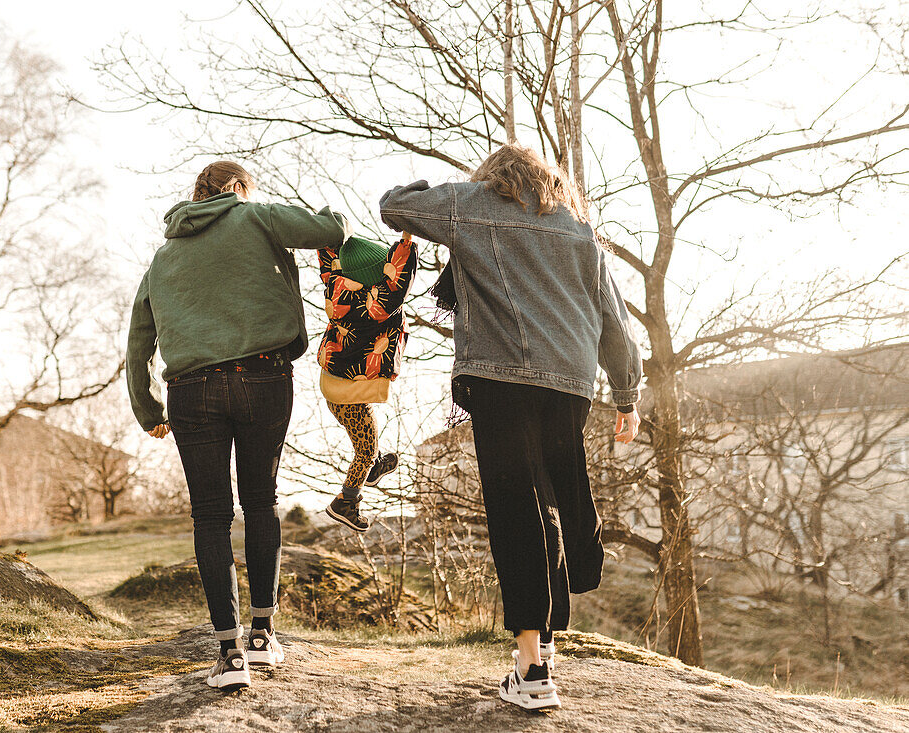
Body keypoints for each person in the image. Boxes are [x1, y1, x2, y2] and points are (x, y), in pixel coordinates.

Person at [379, 144, 642, 711]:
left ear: (493, 178)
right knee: (550, 498)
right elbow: (614, 323)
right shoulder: (577, 232)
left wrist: (444, 190)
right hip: (569, 384)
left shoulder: (473, 206)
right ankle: (548, 634)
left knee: (515, 510)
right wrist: (627, 396)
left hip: (499, 380)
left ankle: (531, 668)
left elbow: (395, 206)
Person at [126, 160, 351, 691]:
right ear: (239, 190)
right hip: (262, 377)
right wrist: (327, 211)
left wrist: (148, 408)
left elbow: (139, 342)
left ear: (196, 195)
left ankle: (228, 654)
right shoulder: (258, 217)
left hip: (191, 390)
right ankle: (262, 635)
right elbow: (332, 231)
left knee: (209, 514)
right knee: (259, 500)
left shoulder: (162, 256)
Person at [316, 233, 418, 532]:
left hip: (334, 383)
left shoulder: (336, 286)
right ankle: (345, 502)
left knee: (365, 438)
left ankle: (373, 467)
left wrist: (331, 236)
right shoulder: (380, 304)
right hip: (350, 392)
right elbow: (402, 275)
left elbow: (329, 261)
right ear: (378, 275)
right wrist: (406, 241)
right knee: (364, 448)